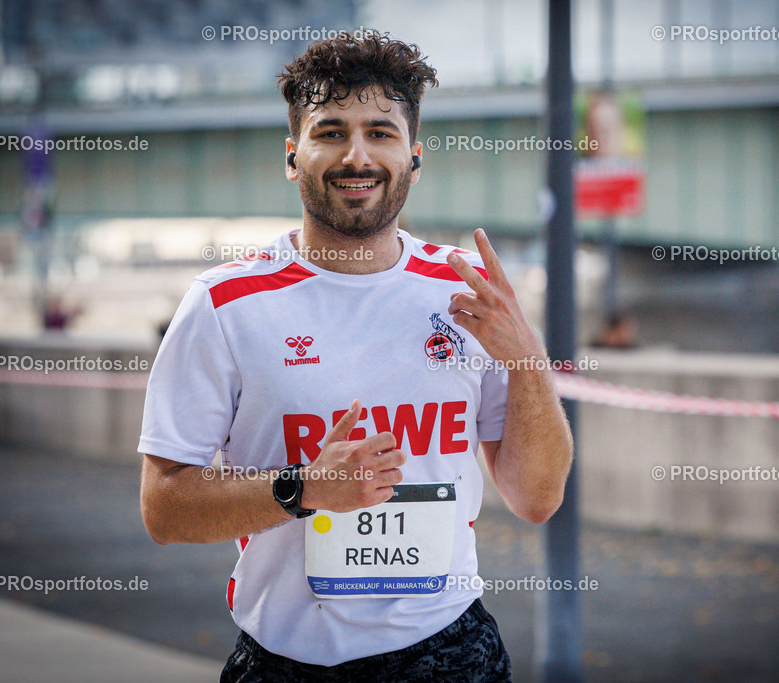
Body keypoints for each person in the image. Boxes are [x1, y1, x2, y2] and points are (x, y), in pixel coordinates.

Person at [138, 30, 573, 682]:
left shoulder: (466, 295)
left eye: (381, 131)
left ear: (414, 156)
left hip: (448, 651)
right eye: (331, 131)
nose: (358, 154)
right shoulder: (224, 305)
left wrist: (526, 359)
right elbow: (164, 507)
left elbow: (537, 497)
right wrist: (305, 488)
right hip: (284, 658)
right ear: (293, 156)